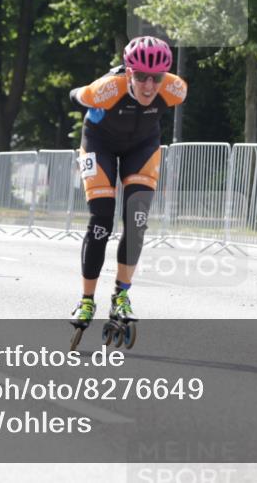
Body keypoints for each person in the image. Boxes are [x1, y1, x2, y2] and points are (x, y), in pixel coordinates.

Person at [67, 36, 187, 343]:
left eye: (156, 78)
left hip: (142, 147)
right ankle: (86, 299)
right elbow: (74, 94)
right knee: (101, 222)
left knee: (136, 222)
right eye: (141, 77)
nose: (149, 86)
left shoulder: (176, 89)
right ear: (128, 73)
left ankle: (121, 295)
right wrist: (90, 94)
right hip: (99, 144)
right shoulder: (107, 89)